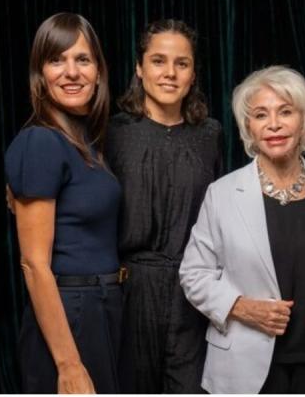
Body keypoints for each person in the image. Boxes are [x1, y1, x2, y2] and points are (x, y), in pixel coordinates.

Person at [179, 66, 305, 393]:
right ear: (248, 127)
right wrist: (241, 307)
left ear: (304, 121)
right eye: (261, 114)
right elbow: (194, 273)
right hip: (244, 368)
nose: (274, 124)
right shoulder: (222, 193)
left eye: (285, 111)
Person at [4, 12, 122, 393]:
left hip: (102, 309)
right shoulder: (40, 142)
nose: (71, 72)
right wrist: (69, 364)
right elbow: (33, 264)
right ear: (41, 73)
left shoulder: (87, 142)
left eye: (82, 60)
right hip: (71, 314)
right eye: (57, 60)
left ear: (99, 71)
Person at [106, 19, 223, 393]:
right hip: (129, 293)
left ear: (193, 74)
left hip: (194, 291)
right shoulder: (113, 133)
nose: (170, 73)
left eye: (182, 63)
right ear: (140, 68)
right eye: (158, 61)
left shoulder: (210, 135)